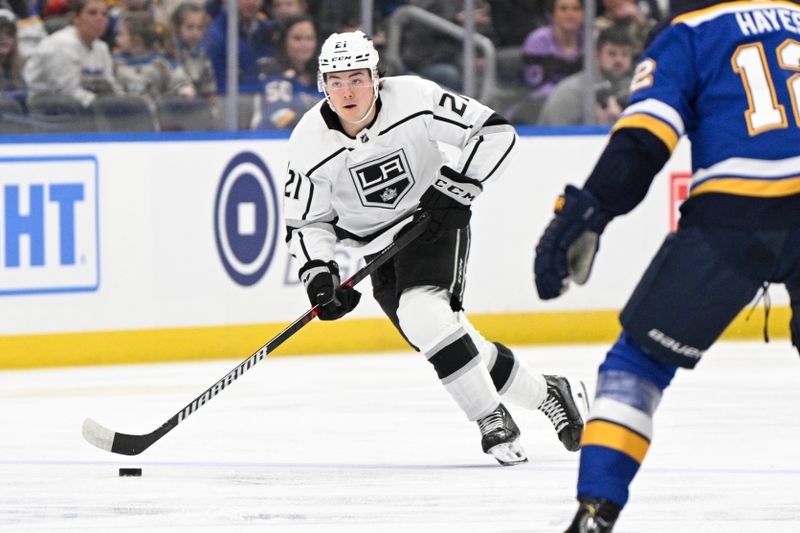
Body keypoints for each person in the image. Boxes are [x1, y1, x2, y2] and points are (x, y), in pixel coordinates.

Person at [532, 1, 800, 530]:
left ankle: (597, 508)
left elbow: (643, 143)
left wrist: (589, 212)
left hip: (735, 212)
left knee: (639, 366)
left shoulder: (688, 31)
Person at [283, 30, 589, 465]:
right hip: (377, 249)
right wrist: (320, 274)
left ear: (376, 76)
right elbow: (307, 222)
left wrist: (457, 188)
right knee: (449, 341)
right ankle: (548, 393)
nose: (347, 91)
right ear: (322, 85)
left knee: (424, 315)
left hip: (433, 224)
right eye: (336, 81)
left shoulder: (415, 98)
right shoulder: (308, 142)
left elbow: (496, 132)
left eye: (356, 78)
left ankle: (490, 419)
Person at [23, 0, 120, 107]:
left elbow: (112, 87)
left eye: (104, 14)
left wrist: (126, 101)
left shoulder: (101, 47)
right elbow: (68, 92)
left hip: (85, 111)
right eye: (92, 13)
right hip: (48, 112)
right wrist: (108, 105)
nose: (100, 19)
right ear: (75, 18)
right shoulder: (60, 45)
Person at [537, 26, 632, 126]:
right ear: (597, 56)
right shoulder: (571, 91)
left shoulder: (633, 89)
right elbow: (555, 137)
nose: (619, 60)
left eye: (625, 54)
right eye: (611, 54)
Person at [251, 14, 321, 129]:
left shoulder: (321, 75)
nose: (304, 44)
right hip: (274, 142)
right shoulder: (272, 73)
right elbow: (278, 117)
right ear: (284, 41)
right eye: (297, 38)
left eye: (309, 38)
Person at [522, 0, 584, 99]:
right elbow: (533, 82)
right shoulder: (538, 40)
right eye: (563, 9)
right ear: (552, 15)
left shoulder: (590, 41)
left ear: (583, 14)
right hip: (540, 100)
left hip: (580, 99)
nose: (570, 13)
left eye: (576, 9)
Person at [166, 1, 217, 100]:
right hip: (173, 104)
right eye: (190, 27)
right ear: (177, 27)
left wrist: (211, 95)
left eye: (200, 28)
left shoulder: (203, 53)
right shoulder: (170, 52)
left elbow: (208, 80)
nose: (195, 32)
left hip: (198, 104)